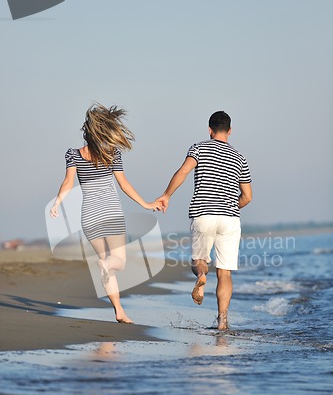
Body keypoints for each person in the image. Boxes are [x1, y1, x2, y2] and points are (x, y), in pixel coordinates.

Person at [50, 103, 161, 324]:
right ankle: (117, 305)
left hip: (89, 217)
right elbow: (124, 184)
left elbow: (67, 182)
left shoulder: (73, 154)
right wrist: (146, 204)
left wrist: (57, 203)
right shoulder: (113, 154)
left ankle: (119, 311)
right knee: (117, 262)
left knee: (104, 262)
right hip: (110, 213)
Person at [156, 111, 252, 330]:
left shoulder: (199, 147)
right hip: (229, 218)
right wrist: (231, 206)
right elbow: (247, 196)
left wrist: (166, 195)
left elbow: (183, 172)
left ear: (209, 130)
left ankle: (201, 276)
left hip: (203, 214)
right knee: (224, 272)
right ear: (230, 131)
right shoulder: (240, 158)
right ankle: (222, 321)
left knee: (199, 261)